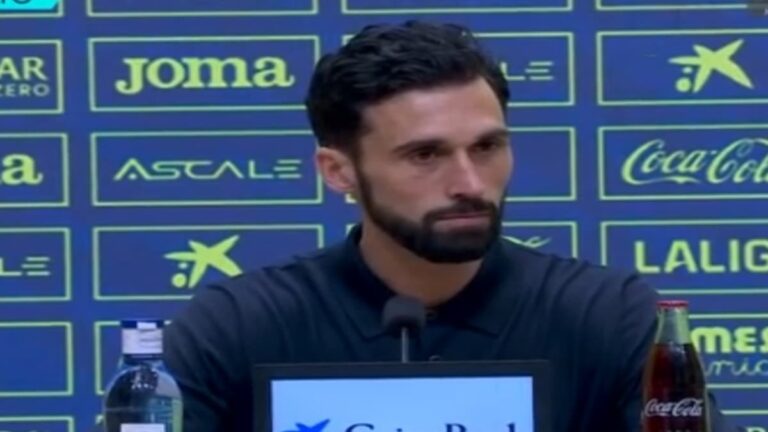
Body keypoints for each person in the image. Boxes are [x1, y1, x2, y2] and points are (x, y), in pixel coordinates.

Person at [163, 20, 738, 432]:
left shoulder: (606, 314)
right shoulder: (239, 325)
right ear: (339, 171)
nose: (469, 181)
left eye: (487, 146)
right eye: (425, 155)